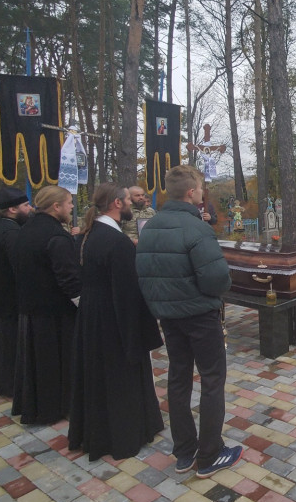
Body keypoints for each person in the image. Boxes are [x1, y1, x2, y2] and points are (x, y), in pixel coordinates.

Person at [137, 165, 242, 476]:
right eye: (200, 187)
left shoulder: (151, 227)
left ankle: (184, 451)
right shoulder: (196, 228)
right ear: (192, 192)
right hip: (199, 316)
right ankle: (209, 455)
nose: (201, 192)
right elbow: (216, 277)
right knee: (212, 379)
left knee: (179, 377)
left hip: (169, 317)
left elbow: (144, 273)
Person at [68, 183, 163, 461]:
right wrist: (140, 331)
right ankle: (123, 434)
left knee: (98, 375)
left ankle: (97, 431)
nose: (131, 205)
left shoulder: (89, 235)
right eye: (127, 200)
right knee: (118, 377)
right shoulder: (117, 242)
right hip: (114, 320)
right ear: (117, 204)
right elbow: (127, 292)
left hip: (92, 316)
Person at [12, 185, 81, 425]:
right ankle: (56, 407)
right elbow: (68, 278)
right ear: (56, 206)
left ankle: (37, 406)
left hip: (31, 308)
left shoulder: (25, 229)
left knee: (37, 363)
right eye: (69, 203)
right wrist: (82, 303)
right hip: (55, 311)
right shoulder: (56, 236)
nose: (72, 207)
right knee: (55, 364)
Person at [0, 186, 32, 396]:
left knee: (4, 342)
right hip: (11, 297)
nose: (30, 209)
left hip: (0, 296)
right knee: (11, 343)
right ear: (12, 209)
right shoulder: (11, 232)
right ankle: (13, 385)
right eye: (26, 205)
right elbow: (20, 266)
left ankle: (3, 382)